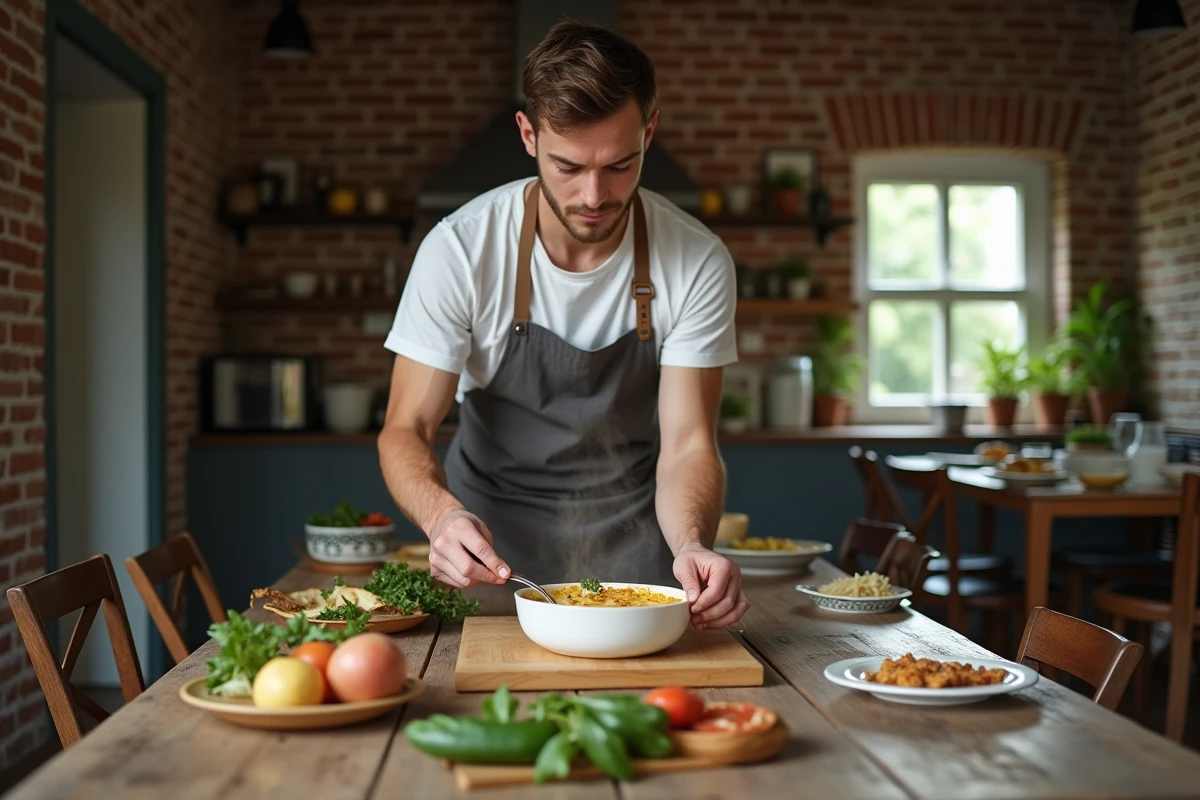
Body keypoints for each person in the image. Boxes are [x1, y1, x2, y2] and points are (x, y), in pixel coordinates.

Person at [378, 21, 748, 630]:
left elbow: (688, 445)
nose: (594, 195)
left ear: (649, 133)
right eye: (568, 166)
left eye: (620, 165)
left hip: (638, 560)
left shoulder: (697, 259)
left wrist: (690, 547)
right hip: (491, 561)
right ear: (529, 135)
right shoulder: (462, 251)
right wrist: (442, 518)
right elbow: (405, 429)